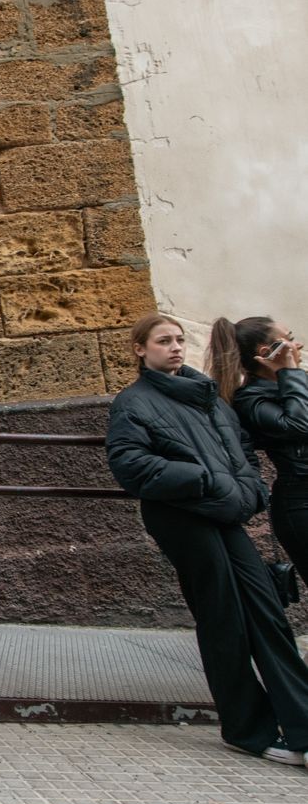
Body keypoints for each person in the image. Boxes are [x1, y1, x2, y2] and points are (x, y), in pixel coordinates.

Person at [106, 313, 308, 766]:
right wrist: (204, 482)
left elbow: (241, 451)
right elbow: (129, 464)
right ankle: (247, 731)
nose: (175, 347)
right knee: (223, 619)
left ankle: (302, 726)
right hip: (181, 516)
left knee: (268, 614)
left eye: (179, 339)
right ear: (140, 349)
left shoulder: (209, 397)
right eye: (163, 341)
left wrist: (249, 491)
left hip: (225, 513)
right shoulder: (133, 402)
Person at [213, 316, 308, 575]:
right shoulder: (251, 398)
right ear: (267, 352)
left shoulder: (297, 387)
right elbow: (299, 425)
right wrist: (290, 371)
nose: (298, 345)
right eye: (289, 340)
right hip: (301, 503)